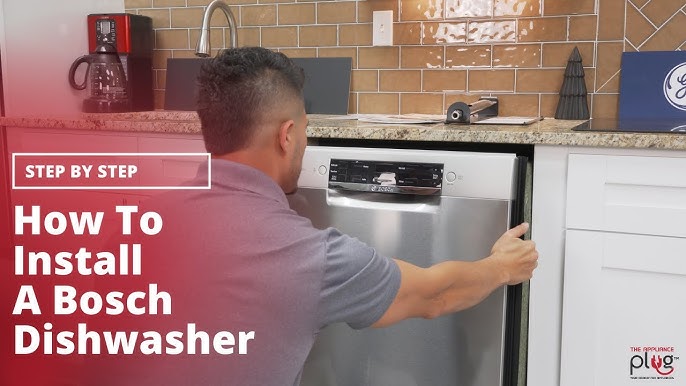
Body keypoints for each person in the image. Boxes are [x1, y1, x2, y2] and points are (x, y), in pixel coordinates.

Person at [92, 47, 538, 386]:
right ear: (287, 136)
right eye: (305, 129)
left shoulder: (126, 226)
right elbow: (436, 295)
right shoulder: (313, 258)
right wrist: (501, 266)